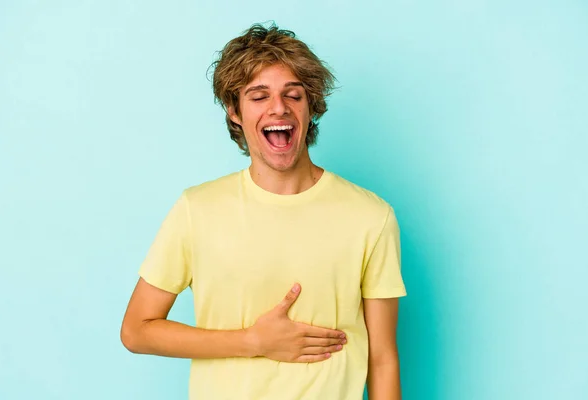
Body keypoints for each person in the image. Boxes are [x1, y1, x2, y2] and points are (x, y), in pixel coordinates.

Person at [120, 23, 407, 400]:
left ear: (311, 106)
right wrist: (253, 341)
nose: (279, 107)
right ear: (234, 111)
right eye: (259, 96)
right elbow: (137, 330)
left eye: (294, 95)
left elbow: (382, 358)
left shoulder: (371, 216)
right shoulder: (197, 209)